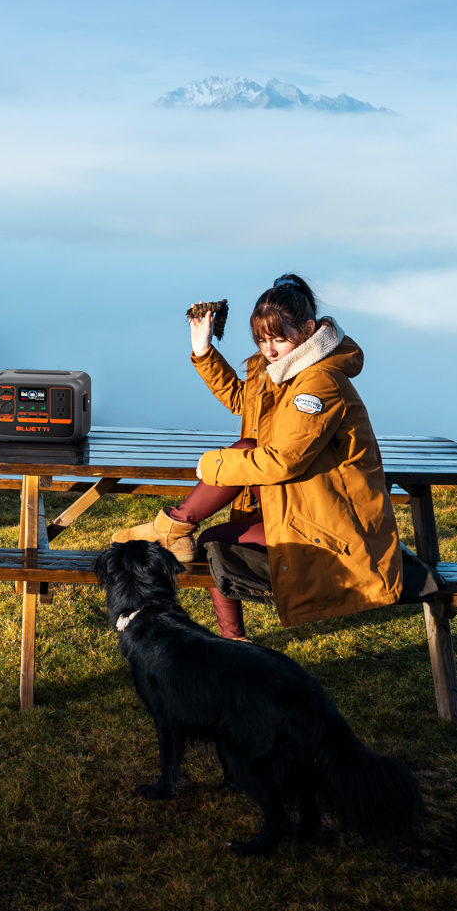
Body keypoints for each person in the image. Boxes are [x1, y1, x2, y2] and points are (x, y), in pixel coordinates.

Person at [115, 273, 405, 640]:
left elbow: (284, 460)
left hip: (332, 527)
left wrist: (214, 464)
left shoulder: (319, 382)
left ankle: (177, 538)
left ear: (308, 329)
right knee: (219, 514)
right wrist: (203, 351)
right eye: (262, 340)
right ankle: (230, 635)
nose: (269, 350)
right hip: (298, 505)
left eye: (278, 338)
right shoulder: (284, 370)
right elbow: (244, 400)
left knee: (223, 510)